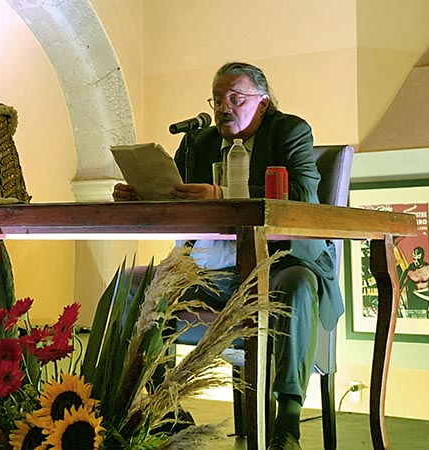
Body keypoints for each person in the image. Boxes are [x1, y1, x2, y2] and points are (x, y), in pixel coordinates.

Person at [113, 61, 343, 450]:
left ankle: (288, 422)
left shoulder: (289, 131)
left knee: (299, 286)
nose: (224, 108)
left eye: (236, 99)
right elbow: (177, 197)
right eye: (217, 99)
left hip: (277, 264)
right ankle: (163, 408)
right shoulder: (199, 142)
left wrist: (223, 195)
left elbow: (304, 196)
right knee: (134, 284)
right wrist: (143, 195)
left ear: (263, 103)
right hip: (210, 270)